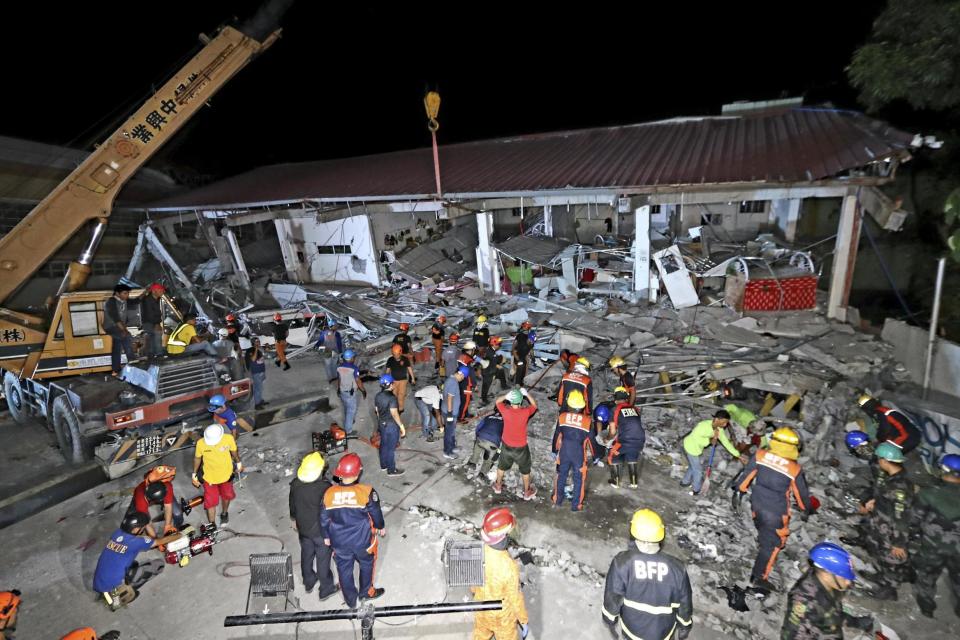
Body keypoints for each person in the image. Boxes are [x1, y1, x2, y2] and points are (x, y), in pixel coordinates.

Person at [734, 427, 812, 591]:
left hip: (756, 504)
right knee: (775, 543)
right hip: (776, 512)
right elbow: (801, 496)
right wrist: (807, 510)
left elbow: (745, 477)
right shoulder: (793, 469)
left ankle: (762, 542)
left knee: (763, 528)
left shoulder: (761, 455)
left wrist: (739, 492)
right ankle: (759, 577)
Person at [603, 509, 693, 640]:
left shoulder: (621, 563)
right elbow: (685, 603)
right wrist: (685, 626)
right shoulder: (677, 568)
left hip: (633, 630)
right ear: (660, 534)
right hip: (664, 632)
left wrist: (610, 620)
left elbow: (613, 597)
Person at [841, 442, 915, 600]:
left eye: (880, 459)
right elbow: (883, 494)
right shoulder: (891, 476)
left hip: (890, 529)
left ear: (885, 460)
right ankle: (882, 577)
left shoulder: (899, 487)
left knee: (890, 559)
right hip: (880, 521)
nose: (878, 462)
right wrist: (872, 501)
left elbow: (901, 516)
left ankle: (889, 590)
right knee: (879, 553)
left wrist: (899, 543)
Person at [321, 453, 386, 608]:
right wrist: (380, 526)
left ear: (339, 475)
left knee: (343, 570)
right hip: (363, 541)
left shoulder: (329, 493)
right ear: (358, 472)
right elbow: (376, 513)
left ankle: (350, 600)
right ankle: (366, 592)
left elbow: (323, 518)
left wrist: (326, 536)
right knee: (367, 563)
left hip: (339, 542)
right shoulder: (367, 491)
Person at [781, 542, 874, 639]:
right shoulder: (805, 601)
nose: (848, 583)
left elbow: (831, 612)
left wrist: (855, 622)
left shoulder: (828, 583)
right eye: (844, 577)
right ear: (827, 574)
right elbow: (792, 635)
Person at [92, 511, 179, 610]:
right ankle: (117, 600)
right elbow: (160, 541)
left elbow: (132, 541)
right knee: (159, 565)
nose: (144, 528)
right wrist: (179, 535)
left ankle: (107, 594)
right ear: (136, 529)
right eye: (143, 527)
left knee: (130, 563)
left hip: (98, 582)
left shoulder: (117, 533)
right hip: (113, 586)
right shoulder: (137, 542)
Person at [911, 453, 960, 618]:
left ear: (944, 470)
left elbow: (914, 520)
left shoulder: (929, 493)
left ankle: (927, 606)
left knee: (926, 576)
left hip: (932, 547)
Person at [471, 508, 529, 640]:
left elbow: (473, 584)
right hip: (501, 617)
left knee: (480, 635)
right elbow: (515, 598)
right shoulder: (509, 566)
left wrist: (476, 592)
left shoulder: (478, 551)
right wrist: (523, 620)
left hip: (480, 608)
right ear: (504, 538)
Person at [289, 452, 338, 600]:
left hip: (303, 528)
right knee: (323, 560)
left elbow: (292, 506)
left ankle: (309, 581)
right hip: (321, 532)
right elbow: (331, 510)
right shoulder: (325, 487)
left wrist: (294, 519)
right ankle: (326, 589)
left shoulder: (295, 483)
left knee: (307, 554)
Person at [551, 389, 600, 512]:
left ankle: (557, 500)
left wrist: (554, 450)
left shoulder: (562, 418)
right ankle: (576, 505)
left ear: (569, 404)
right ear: (582, 406)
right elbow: (592, 441)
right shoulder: (587, 421)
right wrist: (595, 456)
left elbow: (557, 436)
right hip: (578, 454)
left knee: (561, 476)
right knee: (579, 480)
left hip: (564, 452)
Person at [681, 409, 746, 496]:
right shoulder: (702, 426)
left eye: (726, 423)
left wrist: (738, 455)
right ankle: (696, 489)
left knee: (693, 466)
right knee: (698, 471)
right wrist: (711, 440)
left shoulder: (719, 430)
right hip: (690, 447)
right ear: (716, 419)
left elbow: (726, 443)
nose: (725, 425)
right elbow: (696, 438)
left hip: (697, 449)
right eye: (724, 422)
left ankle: (684, 482)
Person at [191, 424, 242, 525]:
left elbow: (234, 451)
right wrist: (194, 473)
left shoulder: (228, 439)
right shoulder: (201, 443)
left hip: (226, 475)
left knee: (227, 496)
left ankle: (224, 513)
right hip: (209, 478)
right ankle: (212, 525)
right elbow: (197, 458)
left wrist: (238, 462)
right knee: (210, 503)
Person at [494, 388, 538, 500]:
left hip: (506, 444)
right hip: (521, 447)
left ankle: (498, 486)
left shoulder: (505, 411)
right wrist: (526, 394)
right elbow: (534, 405)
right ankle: (527, 491)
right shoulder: (525, 412)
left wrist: (505, 396)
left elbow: (497, 401)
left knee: (501, 466)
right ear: (521, 401)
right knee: (525, 469)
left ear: (510, 401)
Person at [606, 387, 646, 489]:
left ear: (615, 398)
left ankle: (616, 482)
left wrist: (607, 439)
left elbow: (613, 431)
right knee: (632, 455)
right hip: (640, 440)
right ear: (626, 398)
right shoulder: (635, 409)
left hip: (626, 440)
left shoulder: (615, 410)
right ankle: (633, 482)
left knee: (613, 455)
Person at [857, 394, 921, 454]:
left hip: (908, 438)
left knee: (886, 456)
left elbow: (884, 430)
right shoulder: (883, 410)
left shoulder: (882, 414)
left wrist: (879, 439)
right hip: (912, 433)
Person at [128, 465, 182, 537]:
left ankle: (176, 527)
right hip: (140, 499)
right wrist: (156, 540)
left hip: (161, 492)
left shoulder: (167, 486)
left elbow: (168, 506)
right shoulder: (140, 498)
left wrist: (168, 526)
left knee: (178, 513)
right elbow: (148, 523)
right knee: (137, 526)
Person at [374, 374, 407, 476]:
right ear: (390, 385)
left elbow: (377, 411)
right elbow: (394, 413)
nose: (393, 385)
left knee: (383, 444)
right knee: (390, 448)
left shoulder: (378, 396)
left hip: (382, 423)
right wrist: (401, 426)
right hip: (391, 425)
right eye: (393, 383)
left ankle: (383, 465)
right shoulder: (392, 398)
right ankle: (391, 470)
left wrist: (380, 423)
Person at [103, 284, 135, 376]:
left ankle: (115, 369)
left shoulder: (124, 300)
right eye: (125, 293)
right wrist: (124, 330)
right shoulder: (111, 302)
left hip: (118, 326)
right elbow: (115, 318)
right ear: (117, 293)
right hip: (111, 327)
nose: (127, 295)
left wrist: (144, 294)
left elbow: (135, 301)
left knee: (117, 347)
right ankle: (132, 361)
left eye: (128, 293)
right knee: (127, 337)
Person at [468, 408, 504, 479]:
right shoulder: (506, 421)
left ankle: (472, 462)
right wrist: (499, 451)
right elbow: (505, 438)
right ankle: (482, 473)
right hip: (492, 443)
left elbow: (478, 428)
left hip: (481, 438)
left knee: (477, 448)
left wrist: (477, 438)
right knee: (490, 459)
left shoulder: (488, 417)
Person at [336, 349, 366, 435]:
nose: (354, 359)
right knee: (351, 410)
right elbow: (358, 381)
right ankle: (348, 430)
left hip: (342, 391)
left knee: (346, 407)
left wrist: (338, 389)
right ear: (351, 359)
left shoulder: (339, 367)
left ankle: (349, 421)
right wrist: (363, 390)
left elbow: (339, 379)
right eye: (354, 357)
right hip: (350, 393)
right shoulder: (354, 368)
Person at [442, 367, 468, 459]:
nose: (463, 378)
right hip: (450, 412)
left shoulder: (450, 379)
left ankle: (452, 447)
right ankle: (447, 452)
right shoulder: (453, 383)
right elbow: (449, 398)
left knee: (451, 431)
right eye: (463, 376)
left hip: (449, 411)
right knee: (449, 432)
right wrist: (450, 414)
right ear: (460, 373)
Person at [384, 344, 416, 414]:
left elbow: (409, 369)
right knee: (394, 395)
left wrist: (413, 379)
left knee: (401, 395)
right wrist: (386, 380)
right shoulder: (390, 360)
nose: (395, 356)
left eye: (397, 355)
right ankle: (394, 408)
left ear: (400, 353)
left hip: (403, 380)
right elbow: (388, 370)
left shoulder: (405, 359)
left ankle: (401, 409)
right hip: (394, 381)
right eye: (394, 354)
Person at [480, 336, 509, 404]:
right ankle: (484, 399)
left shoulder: (491, 350)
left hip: (492, 369)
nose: (500, 346)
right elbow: (496, 360)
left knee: (501, 371)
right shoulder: (490, 352)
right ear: (494, 344)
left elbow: (495, 359)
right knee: (486, 386)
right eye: (499, 344)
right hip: (488, 372)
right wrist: (502, 358)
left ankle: (504, 385)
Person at [140, 283, 165, 359]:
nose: (162, 291)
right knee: (157, 336)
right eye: (160, 290)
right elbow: (150, 313)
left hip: (150, 323)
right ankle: (159, 355)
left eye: (162, 290)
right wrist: (156, 324)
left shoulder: (155, 299)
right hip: (150, 323)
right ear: (154, 291)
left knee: (152, 340)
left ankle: (152, 355)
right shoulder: (148, 300)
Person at [458, 340, 480, 421]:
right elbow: (471, 374)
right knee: (466, 401)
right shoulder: (468, 359)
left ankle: (465, 413)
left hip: (461, 382)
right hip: (467, 383)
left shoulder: (462, 356)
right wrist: (475, 385)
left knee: (463, 400)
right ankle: (461, 417)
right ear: (471, 350)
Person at [244, 336, 268, 409]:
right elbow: (253, 359)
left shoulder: (259, 349)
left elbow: (262, 358)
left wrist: (266, 349)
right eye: (256, 341)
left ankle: (260, 400)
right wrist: (257, 349)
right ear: (253, 343)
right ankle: (257, 405)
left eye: (259, 341)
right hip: (255, 372)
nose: (258, 343)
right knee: (257, 388)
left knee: (260, 387)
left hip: (261, 371)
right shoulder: (250, 350)